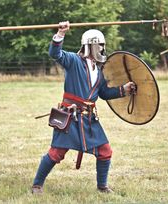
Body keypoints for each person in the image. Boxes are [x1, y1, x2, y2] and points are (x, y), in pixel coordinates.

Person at [32, 21, 135, 194]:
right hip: (70, 116)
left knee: (105, 151)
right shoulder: (73, 61)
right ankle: (37, 184)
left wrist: (123, 90)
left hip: (89, 119)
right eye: (100, 45)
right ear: (92, 46)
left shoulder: (99, 71)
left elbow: (103, 93)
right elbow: (55, 53)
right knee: (56, 153)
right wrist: (60, 34)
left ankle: (102, 187)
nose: (102, 49)